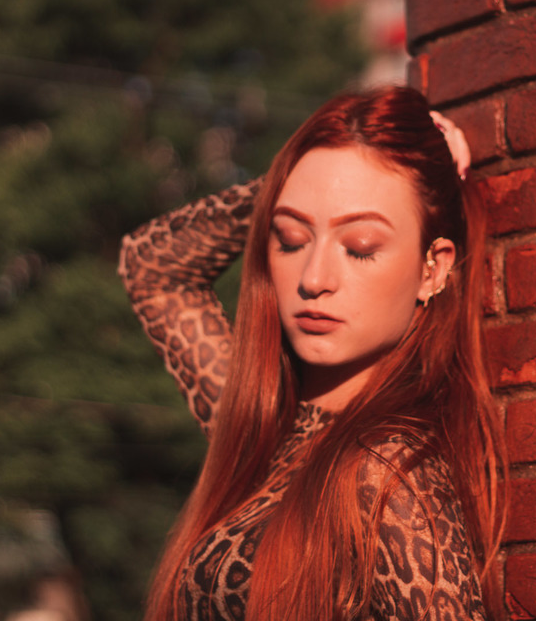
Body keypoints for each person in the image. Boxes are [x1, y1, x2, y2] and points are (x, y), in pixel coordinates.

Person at [119, 86, 505, 621]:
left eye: (360, 247)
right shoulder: (266, 423)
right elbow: (153, 266)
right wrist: (289, 180)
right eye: (291, 239)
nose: (314, 279)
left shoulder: (387, 471)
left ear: (432, 269)